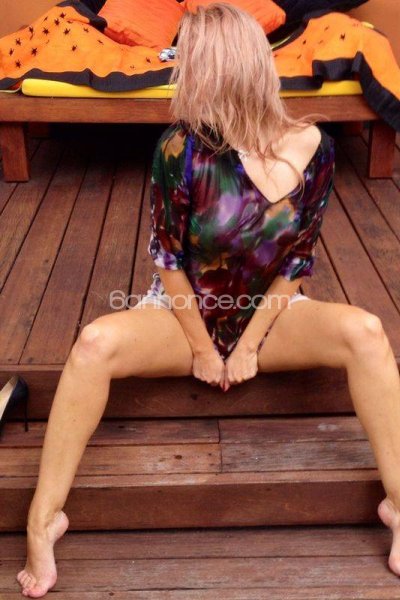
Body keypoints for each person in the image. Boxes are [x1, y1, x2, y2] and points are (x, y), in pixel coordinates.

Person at [16, 2, 400, 597]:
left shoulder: (315, 147)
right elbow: (168, 260)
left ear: (217, 70)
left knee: (368, 332)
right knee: (92, 345)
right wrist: (201, 348)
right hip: (184, 314)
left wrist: (247, 347)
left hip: (270, 316)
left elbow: (297, 261)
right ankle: (42, 520)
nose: (178, 75)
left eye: (185, 62)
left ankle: (399, 504)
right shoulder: (180, 149)